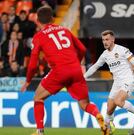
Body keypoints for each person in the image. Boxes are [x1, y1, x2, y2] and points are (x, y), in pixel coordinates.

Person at [20, 6, 108, 135]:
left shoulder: (38, 36)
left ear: (37, 21)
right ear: (53, 19)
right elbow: (83, 49)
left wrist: (28, 81)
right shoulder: (65, 30)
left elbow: (33, 63)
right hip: (76, 70)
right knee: (84, 104)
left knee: (38, 98)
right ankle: (99, 117)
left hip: (59, 71)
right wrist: (75, 63)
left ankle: (39, 131)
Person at [84, 30, 134, 134]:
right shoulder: (105, 54)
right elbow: (95, 66)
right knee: (109, 109)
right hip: (117, 83)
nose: (105, 42)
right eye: (103, 40)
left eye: (107, 39)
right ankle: (109, 126)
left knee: (118, 101)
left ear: (113, 39)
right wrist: (83, 77)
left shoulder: (122, 50)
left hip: (128, 80)